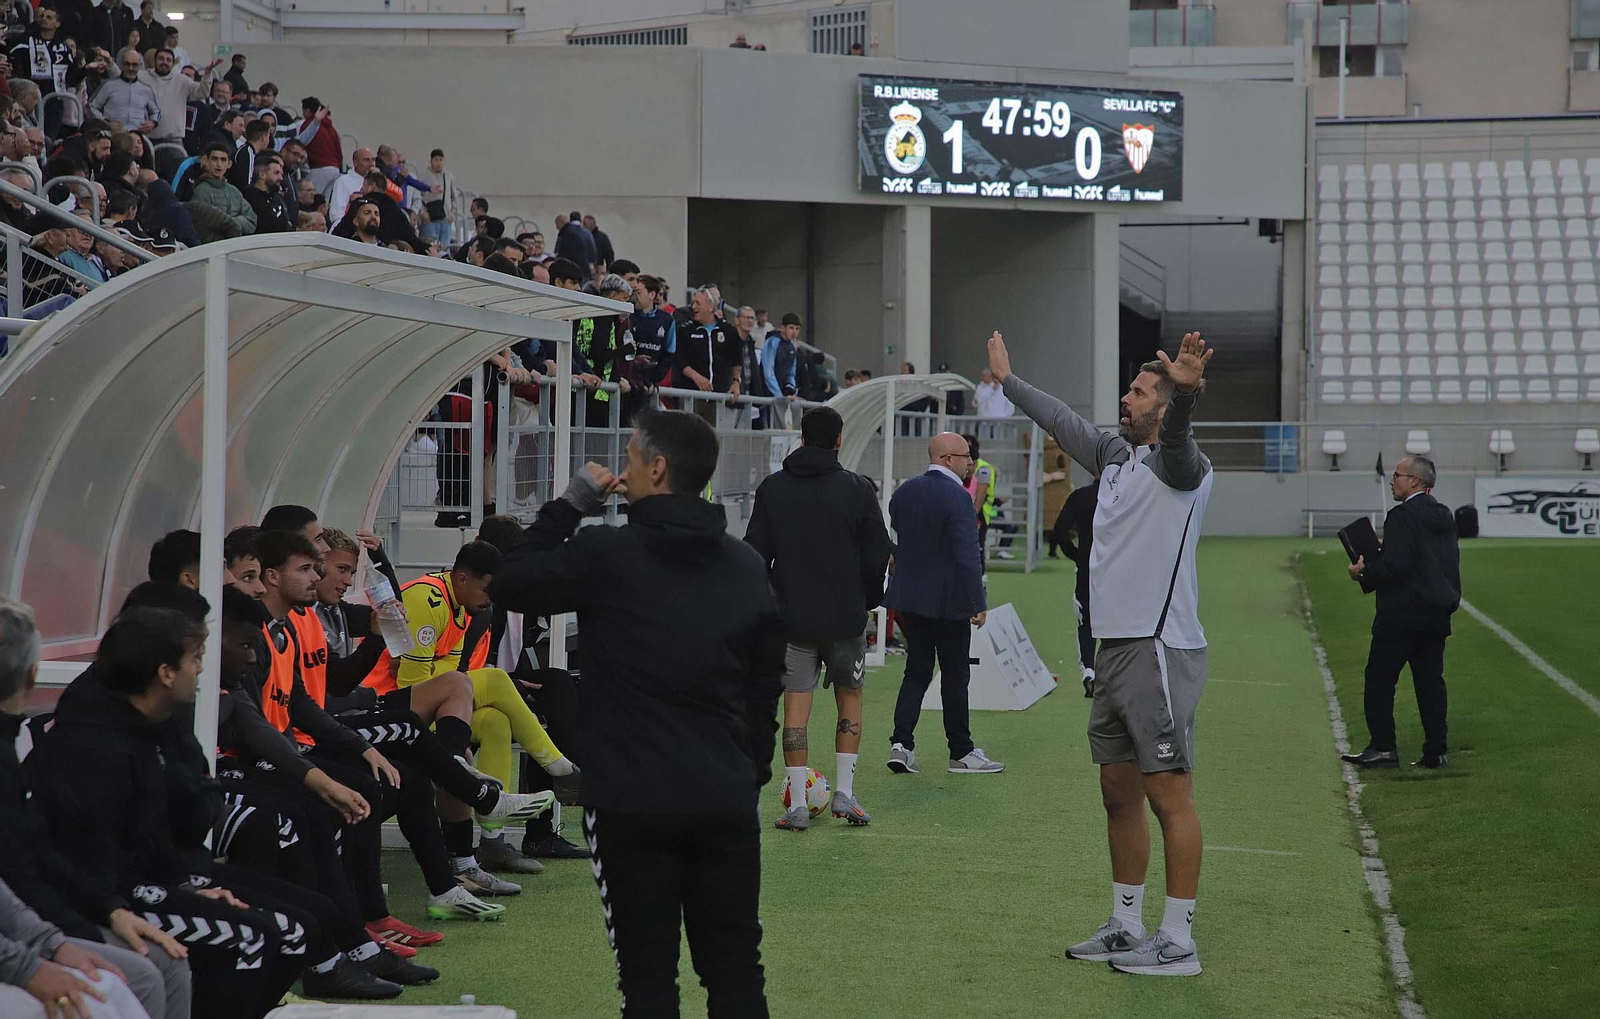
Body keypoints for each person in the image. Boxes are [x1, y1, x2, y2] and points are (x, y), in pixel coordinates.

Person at [489, 411, 785, 1019]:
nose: (620, 472)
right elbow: (764, 688)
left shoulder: (607, 552)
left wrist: (572, 503)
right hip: (722, 793)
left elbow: (510, 581)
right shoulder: (746, 564)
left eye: (628, 458)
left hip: (630, 797)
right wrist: (748, 772)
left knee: (647, 976)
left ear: (657, 468)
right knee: (735, 969)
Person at [992, 328, 1215, 977]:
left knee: (1169, 795)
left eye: (1140, 392)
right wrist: (1007, 381)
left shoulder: (1181, 464)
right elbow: (1062, 420)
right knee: (1117, 792)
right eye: (1131, 388)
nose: (1126, 397)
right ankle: (1126, 923)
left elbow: (1178, 434)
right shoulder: (1116, 454)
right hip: (1113, 650)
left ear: (1164, 404)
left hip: (1157, 649)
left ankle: (1178, 940)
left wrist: (1185, 394)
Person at [0, 598, 187, 1019]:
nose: (200, 671)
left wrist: (101, 913)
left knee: (146, 971)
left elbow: (27, 864)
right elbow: (19, 872)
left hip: (43, 922)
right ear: (32, 675)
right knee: (133, 978)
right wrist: (45, 954)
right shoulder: (91, 747)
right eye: (196, 658)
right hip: (34, 931)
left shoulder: (12, 748)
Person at [746, 406, 892, 829]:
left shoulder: (773, 488)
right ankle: (844, 793)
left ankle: (796, 805)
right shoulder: (858, 489)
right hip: (845, 615)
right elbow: (878, 551)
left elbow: (755, 552)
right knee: (850, 698)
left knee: (796, 705)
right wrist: (868, 597)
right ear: (839, 440)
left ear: (802, 438)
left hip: (791, 616)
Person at [883, 431, 999, 777]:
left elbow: (898, 532)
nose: (970, 463)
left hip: (912, 599)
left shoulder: (905, 492)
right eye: (965, 456)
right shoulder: (958, 497)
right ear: (948, 459)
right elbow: (967, 554)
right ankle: (960, 751)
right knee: (955, 675)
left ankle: (901, 744)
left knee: (916, 672)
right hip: (949, 601)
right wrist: (977, 601)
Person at [1342, 455, 1460, 770]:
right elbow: (1427, 558)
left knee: (1379, 679)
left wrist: (1362, 573)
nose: (1392, 480)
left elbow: (1397, 567)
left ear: (1414, 481)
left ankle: (1383, 748)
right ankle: (1436, 751)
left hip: (1401, 614)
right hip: (1436, 612)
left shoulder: (1401, 516)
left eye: (1397, 475)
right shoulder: (1443, 514)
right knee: (1430, 683)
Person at [1052, 479, 1099, 697]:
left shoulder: (1081, 496)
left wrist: (1077, 556)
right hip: (1119, 568)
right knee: (1120, 623)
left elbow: (1060, 530)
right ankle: (1117, 675)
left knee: (1086, 621)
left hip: (1088, 565)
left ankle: (1089, 670)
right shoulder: (1128, 495)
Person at [186, 140, 254, 240]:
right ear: (207, 161)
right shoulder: (201, 190)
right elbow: (202, 227)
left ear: (229, 164)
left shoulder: (234, 191)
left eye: (223, 160)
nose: (219, 164)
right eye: (214, 159)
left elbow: (252, 220)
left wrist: (233, 223)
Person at [88, 50, 159, 134]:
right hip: (113, 136)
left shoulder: (146, 89)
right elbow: (91, 106)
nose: (130, 68)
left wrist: (153, 122)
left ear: (140, 66)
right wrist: (105, 123)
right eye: (127, 64)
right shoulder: (108, 85)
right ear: (121, 64)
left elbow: (156, 112)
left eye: (134, 65)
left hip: (137, 136)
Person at [327, 145, 374, 226]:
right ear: (355, 163)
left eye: (373, 160)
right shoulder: (343, 181)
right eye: (366, 160)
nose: (371, 164)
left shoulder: (377, 181)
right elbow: (336, 214)